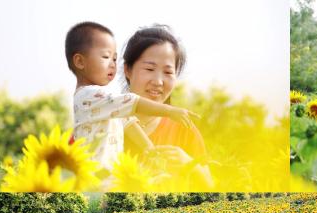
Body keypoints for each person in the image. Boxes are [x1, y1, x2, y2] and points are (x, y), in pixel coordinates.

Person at [65, 22, 194, 172]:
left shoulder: (108, 106)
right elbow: (132, 102)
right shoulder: (88, 95)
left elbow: (128, 122)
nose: (112, 65)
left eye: (114, 59)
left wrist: (151, 150)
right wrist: (169, 111)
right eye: (105, 57)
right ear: (127, 70)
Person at [122, 26, 213, 187]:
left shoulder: (184, 130)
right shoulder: (102, 124)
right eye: (149, 69)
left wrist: (191, 165)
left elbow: (212, 188)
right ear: (127, 70)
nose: (158, 81)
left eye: (168, 72)